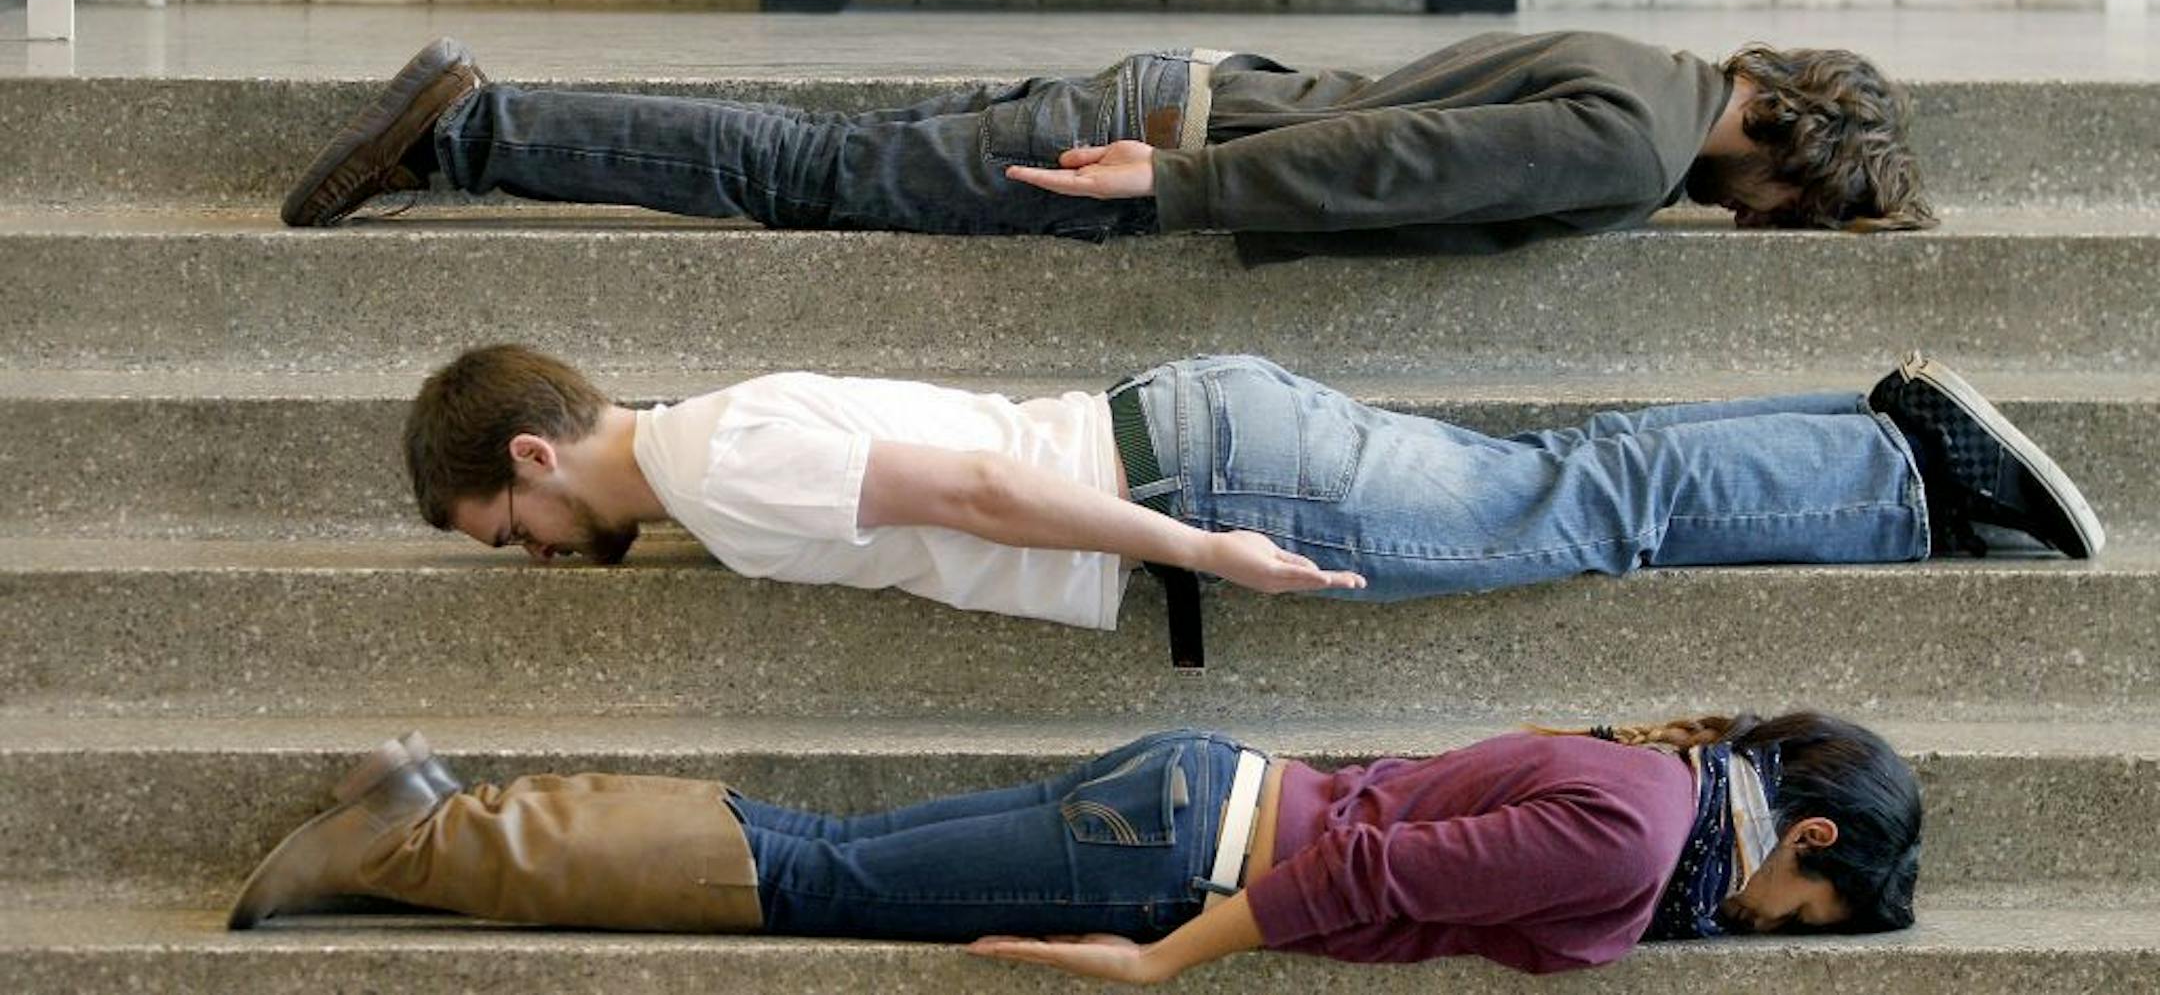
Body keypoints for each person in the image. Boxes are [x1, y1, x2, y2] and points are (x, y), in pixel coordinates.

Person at [401, 343, 2102, 646]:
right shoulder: (716, 432)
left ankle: (1904, 467)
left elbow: (984, 489)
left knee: (1583, 504)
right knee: (1564, 475)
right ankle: (1874, 434)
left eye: (507, 531)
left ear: (533, 458)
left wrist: (1193, 545)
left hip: (1205, 472)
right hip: (1199, 430)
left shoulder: (715, 470)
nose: (534, 555)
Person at [227, 709, 1922, 981]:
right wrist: (1167, 958)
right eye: (1800, 910)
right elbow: (1369, 877)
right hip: (1174, 858)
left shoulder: (1649, 777)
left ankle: (450, 812)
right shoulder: (1636, 840)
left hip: (1193, 790)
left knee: (820, 847)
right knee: (811, 875)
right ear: (1809, 831)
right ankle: (411, 844)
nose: (1762, 928)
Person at [277, 31, 1935, 261]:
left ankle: (472, 126)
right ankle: (469, 131)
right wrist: (1182, 184)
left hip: (1182, 92)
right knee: (807, 175)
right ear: (1795, 156)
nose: (1763, 226)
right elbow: (1403, 165)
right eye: (1794, 210)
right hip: (1164, 140)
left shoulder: (1646, 69)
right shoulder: (1633, 145)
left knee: (818, 153)